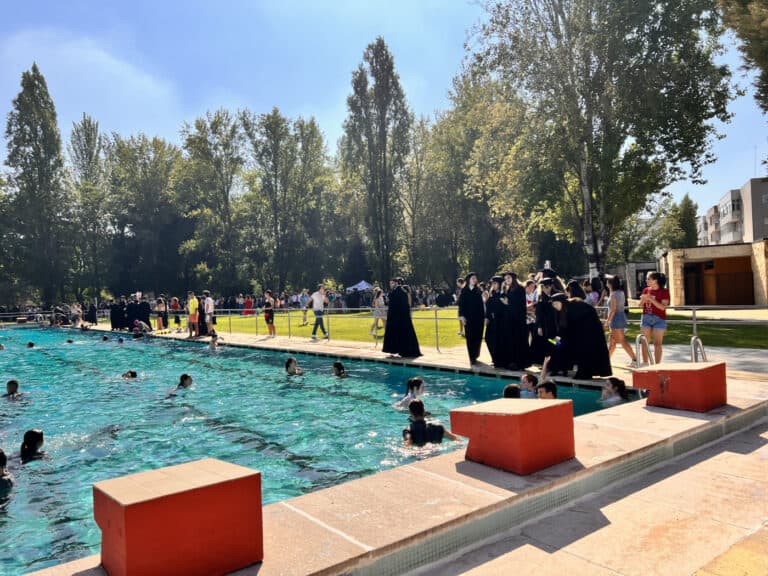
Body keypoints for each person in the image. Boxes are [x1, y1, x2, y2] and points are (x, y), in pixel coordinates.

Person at [550, 293, 612, 380]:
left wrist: (558, 340)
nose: (555, 307)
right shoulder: (564, 309)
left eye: (556, 304)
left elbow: (573, 326)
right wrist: (555, 341)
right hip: (581, 334)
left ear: (562, 302)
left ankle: (584, 373)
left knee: (585, 352)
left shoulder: (574, 307)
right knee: (562, 347)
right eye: (553, 305)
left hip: (589, 333)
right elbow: (562, 329)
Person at [382, 277, 422, 358]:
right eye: (390, 283)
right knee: (399, 334)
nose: (390, 285)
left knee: (404, 334)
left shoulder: (400, 291)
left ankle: (406, 351)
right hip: (397, 317)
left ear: (396, 283)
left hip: (400, 317)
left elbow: (402, 304)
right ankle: (400, 350)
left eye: (391, 283)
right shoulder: (397, 291)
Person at [501, 272, 530, 370]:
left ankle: (520, 363)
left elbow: (521, 304)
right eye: (505, 279)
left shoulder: (520, 289)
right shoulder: (508, 289)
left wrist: (508, 303)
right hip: (511, 320)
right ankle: (512, 362)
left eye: (508, 278)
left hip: (519, 320)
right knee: (511, 341)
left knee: (519, 341)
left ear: (513, 278)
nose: (507, 280)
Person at [605, 276, 637, 366]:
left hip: (616, 319)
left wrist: (607, 321)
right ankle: (605, 362)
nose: (606, 282)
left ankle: (635, 359)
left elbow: (613, 309)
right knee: (612, 343)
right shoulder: (620, 292)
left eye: (608, 281)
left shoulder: (613, 294)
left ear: (610, 284)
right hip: (620, 317)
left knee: (622, 341)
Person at [640, 271, 670, 364]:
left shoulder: (664, 291)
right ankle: (645, 363)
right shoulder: (646, 290)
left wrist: (651, 299)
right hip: (646, 318)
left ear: (655, 280)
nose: (646, 280)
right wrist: (643, 300)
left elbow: (662, 307)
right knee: (644, 342)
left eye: (649, 278)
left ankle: (657, 366)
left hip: (659, 319)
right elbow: (640, 306)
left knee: (657, 344)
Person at [458, 272, 485, 365]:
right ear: (468, 280)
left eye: (475, 278)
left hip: (478, 319)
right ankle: (472, 357)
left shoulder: (478, 291)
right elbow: (461, 305)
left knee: (478, 337)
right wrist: (461, 316)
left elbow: (481, 306)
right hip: (468, 319)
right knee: (470, 338)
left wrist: (484, 317)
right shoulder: (464, 291)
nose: (474, 280)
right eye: (473, 278)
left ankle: (476, 354)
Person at [484, 276, 505, 367]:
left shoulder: (503, 294)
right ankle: (494, 358)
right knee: (488, 338)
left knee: (498, 341)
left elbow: (504, 308)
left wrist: (496, 314)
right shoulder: (492, 294)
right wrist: (487, 317)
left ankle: (498, 361)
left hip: (500, 322)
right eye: (493, 283)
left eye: (495, 283)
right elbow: (488, 307)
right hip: (491, 322)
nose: (493, 285)